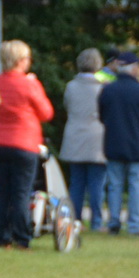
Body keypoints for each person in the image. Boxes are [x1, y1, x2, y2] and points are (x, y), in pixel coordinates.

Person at [0, 39, 54, 248]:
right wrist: (34, 84)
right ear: (21, 60)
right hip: (24, 143)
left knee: (2, 191)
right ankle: (22, 237)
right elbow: (46, 113)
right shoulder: (29, 84)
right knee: (21, 193)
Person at [97, 51, 139, 235]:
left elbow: (102, 116)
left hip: (113, 143)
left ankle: (114, 222)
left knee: (115, 185)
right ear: (134, 68)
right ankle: (134, 225)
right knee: (137, 186)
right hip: (138, 146)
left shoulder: (108, 90)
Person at [58, 49, 109, 231]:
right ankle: (97, 221)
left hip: (75, 137)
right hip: (97, 139)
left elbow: (67, 106)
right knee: (97, 184)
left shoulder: (71, 86)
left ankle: (75, 218)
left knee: (77, 182)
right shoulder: (103, 87)